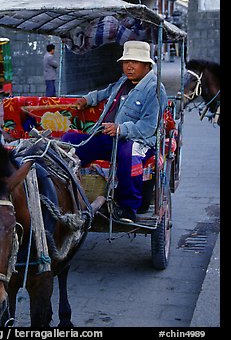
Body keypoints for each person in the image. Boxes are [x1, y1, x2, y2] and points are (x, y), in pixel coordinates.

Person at [62, 40, 168, 223]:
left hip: (138, 141)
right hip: (109, 136)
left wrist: (121, 129)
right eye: (126, 62)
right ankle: (68, 195)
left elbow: (149, 127)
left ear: (147, 65)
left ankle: (128, 207)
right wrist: (88, 99)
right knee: (68, 141)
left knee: (129, 153)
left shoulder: (155, 89)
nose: (129, 66)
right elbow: (106, 92)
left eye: (134, 62)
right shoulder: (122, 83)